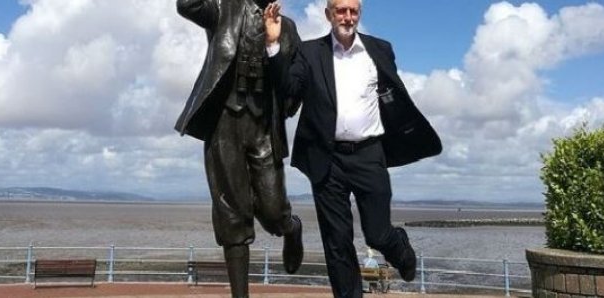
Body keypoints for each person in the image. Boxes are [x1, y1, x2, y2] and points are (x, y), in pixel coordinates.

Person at [264, 0, 442, 296]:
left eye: (353, 11)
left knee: (378, 233)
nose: (347, 17)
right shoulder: (309, 52)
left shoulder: (380, 49)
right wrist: (273, 46)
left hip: (369, 154)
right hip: (326, 158)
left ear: (359, 13)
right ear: (328, 15)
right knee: (337, 243)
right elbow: (289, 90)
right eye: (340, 10)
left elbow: (394, 97)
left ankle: (400, 249)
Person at [173, 0, 303, 297]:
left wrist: (286, 105)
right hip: (224, 122)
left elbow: (294, 84)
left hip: (263, 127)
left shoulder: (289, 29)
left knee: (273, 209)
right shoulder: (222, 9)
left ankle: (290, 227)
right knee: (231, 214)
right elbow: (187, 5)